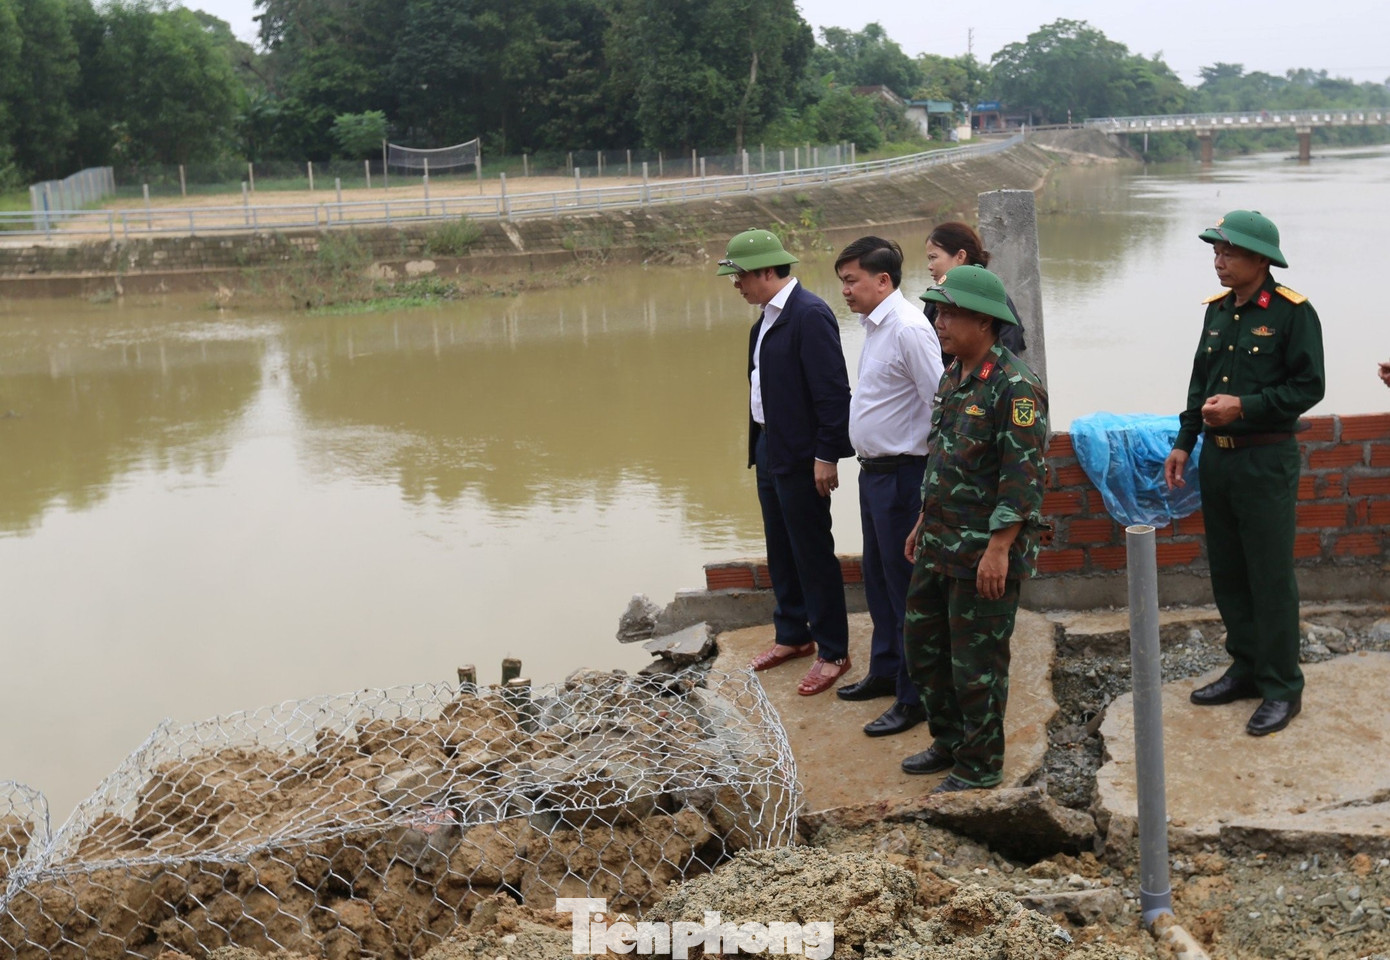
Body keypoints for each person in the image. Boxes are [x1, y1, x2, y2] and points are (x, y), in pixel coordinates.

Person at [1163, 210, 1325, 737]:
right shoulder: (1216, 312)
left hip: (1265, 460)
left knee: (1269, 575)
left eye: (1229, 252)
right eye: (1216, 252)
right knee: (1229, 572)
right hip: (1219, 459)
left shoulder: (1292, 313)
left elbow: (1309, 387)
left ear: (1260, 259)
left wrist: (1245, 406)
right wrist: (1184, 443)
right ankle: (1246, 668)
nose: (1219, 261)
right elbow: (1199, 384)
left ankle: (1282, 686)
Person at [900, 265, 1048, 793]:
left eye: (949, 313)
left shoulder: (1015, 387)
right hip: (939, 542)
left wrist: (999, 549)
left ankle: (980, 765)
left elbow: (1023, 479)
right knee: (925, 649)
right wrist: (922, 520)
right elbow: (944, 458)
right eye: (938, 312)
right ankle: (950, 741)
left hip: (982, 550)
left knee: (977, 664)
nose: (938, 322)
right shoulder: (953, 374)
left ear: (984, 321)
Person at [717, 228, 855, 696]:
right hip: (769, 446)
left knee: (812, 551)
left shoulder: (808, 315)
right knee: (780, 546)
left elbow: (833, 394)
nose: (736, 285)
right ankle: (793, 634)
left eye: (738, 276)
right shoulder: (765, 321)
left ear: (764, 271)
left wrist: (826, 455)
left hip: (802, 454)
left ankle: (833, 651)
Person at [832, 236, 945, 737]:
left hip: (904, 475)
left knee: (905, 588)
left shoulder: (908, 329)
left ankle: (915, 695)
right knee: (877, 578)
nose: (845, 291)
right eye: (842, 282)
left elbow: (940, 404)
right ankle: (885, 669)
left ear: (883, 280)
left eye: (851, 281)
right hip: (874, 473)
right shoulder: (875, 327)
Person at [921, 222, 1026, 358]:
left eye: (933, 257)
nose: (929, 266)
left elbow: (1007, 350)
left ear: (960, 256)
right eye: (940, 312)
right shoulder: (935, 298)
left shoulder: (991, 298)